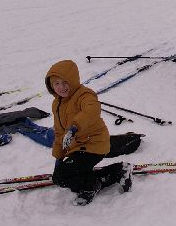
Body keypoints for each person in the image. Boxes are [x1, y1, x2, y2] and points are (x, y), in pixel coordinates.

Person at [45, 59, 133, 205]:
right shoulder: (57, 103)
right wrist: (59, 157)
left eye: (65, 82)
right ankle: (117, 170)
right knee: (60, 176)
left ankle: (92, 185)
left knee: (63, 176)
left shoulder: (84, 95)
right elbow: (60, 132)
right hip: (78, 146)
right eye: (57, 83)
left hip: (94, 144)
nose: (61, 87)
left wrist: (74, 127)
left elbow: (91, 110)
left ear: (73, 80)